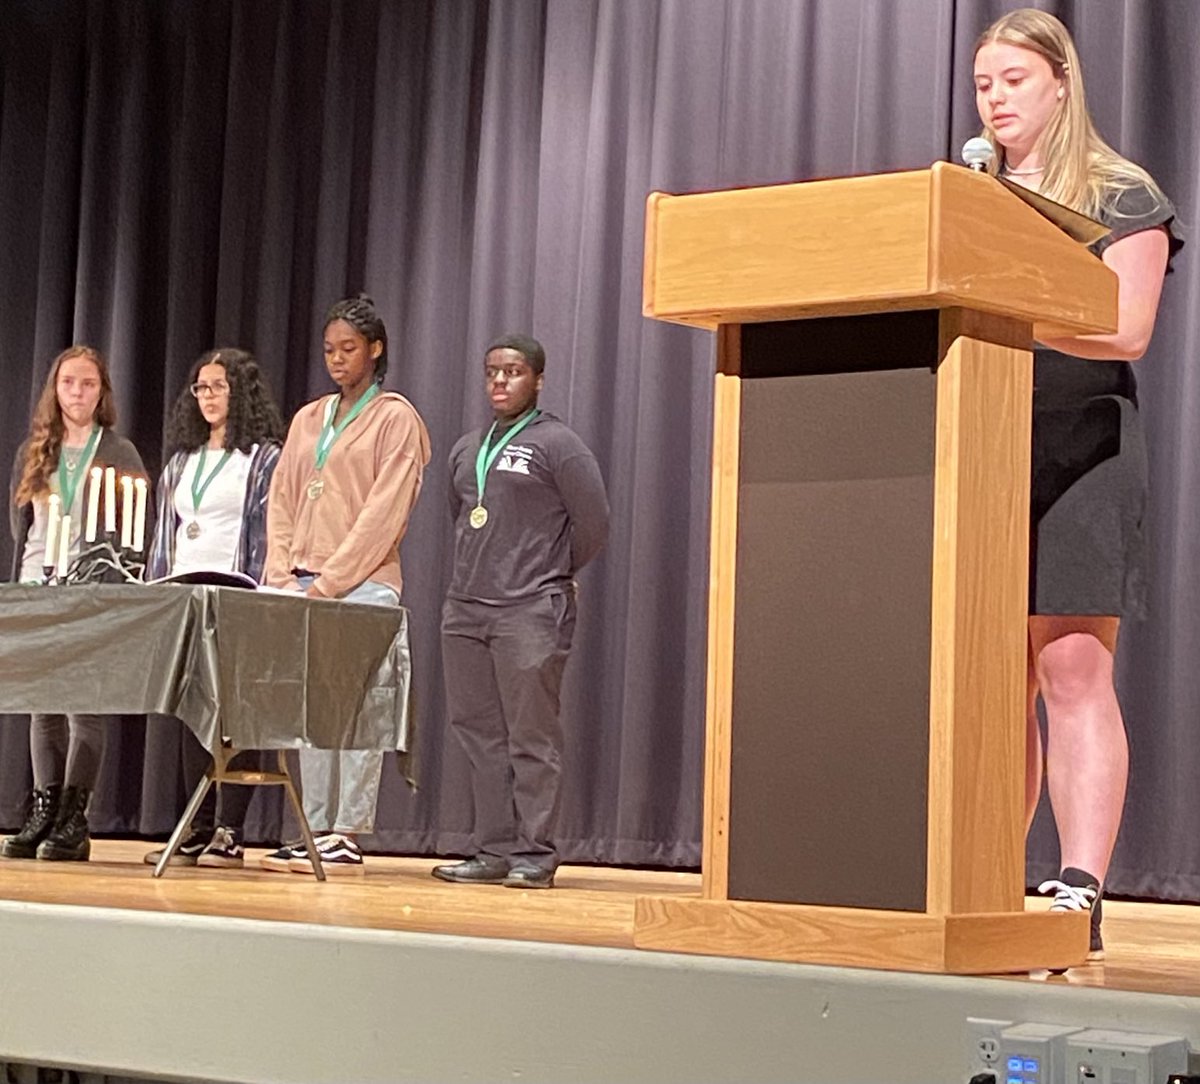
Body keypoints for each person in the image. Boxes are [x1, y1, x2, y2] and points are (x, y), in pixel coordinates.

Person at [972, 9, 1183, 957]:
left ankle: (1079, 890)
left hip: (1083, 447)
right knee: (988, 679)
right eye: (984, 84)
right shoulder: (967, 193)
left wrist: (1006, 317)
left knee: (1069, 665)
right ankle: (983, 874)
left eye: (1014, 79)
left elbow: (1128, 330)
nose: (996, 98)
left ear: (1062, 82)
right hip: (980, 445)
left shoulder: (1118, 192)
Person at [261, 294, 430, 874]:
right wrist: (280, 573)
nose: (336, 359)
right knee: (312, 708)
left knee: (355, 706)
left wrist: (330, 582)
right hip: (302, 582)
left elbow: (383, 514)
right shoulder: (309, 417)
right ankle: (312, 826)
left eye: (349, 349)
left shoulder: (395, 418)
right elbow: (282, 497)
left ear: (375, 350)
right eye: (330, 350)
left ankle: (346, 830)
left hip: (360, 585)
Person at [432, 334, 608, 889]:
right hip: (465, 610)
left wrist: (552, 574)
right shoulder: (467, 447)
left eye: (511, 372)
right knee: (480, 734)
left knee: (531, 735)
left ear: (537, 379)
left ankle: (535, 852)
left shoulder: (559, 443)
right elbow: (460, 515)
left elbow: (594, 523)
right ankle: (493, 849)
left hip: (530, 608)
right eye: (491, 372)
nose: (499, 382)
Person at [2, 345, 147, 862]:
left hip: (91, 588)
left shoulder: (119, 453)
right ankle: (43, 808)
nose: (78, 393)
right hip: (39, 584)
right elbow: (24, 528)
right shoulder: (35, 450)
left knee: (83, 706)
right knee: (42, 705)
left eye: (88, 384)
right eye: (69, 384)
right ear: (55, 389)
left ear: (101, 391)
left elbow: (131, 530)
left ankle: (73, 816)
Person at [141, 348, 285, 869]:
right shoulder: (184, 460)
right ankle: (195, 826)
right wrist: (156, 593)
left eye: (217, 387)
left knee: (236, 709)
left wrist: (267, 592)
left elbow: (270, 533)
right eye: (200, 388)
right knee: (191, 710)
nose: (206, 398)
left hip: (239, 593)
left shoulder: (263, 457)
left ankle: (231, 829)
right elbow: (166, 533)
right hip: (186, 595)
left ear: (240, 393)